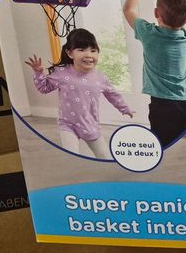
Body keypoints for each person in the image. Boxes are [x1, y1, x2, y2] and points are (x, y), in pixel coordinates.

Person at [25, 28, 133, 159]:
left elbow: (113, 95)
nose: (88, 55)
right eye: (81, 50)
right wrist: (38, 73)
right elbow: (43, 88)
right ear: (70, 53)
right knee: (72, 157)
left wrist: (125, 109)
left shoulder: (100, 78)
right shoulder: (61, 73)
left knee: (104, 156)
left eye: (93, 50)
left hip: (90, 124)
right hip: (67, 124)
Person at [123, 0, 186, 147]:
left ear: (156, 12)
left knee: (160, 149)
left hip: (162, 108)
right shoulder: (184, 36)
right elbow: (177, 14)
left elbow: (128, 9)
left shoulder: (149, 34)